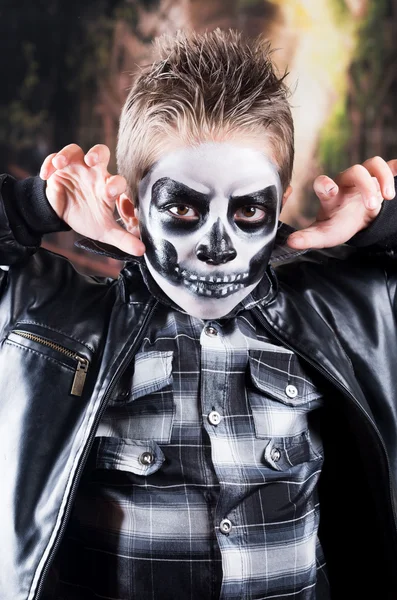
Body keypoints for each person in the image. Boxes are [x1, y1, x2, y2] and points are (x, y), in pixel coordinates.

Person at [1, 29, 397, 600]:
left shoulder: (346, 310)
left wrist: (385, 221)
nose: (218, 246)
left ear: (279, 204)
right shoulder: (52, 314)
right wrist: (34, 206)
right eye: (183, 207)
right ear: (133, 207)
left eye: (249, 210)